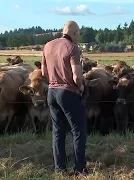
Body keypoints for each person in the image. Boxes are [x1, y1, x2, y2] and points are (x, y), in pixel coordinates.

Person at [41, 20, 88, 176]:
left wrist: (54, 81)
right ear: (73, 33)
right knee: (78, 130)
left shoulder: (47, 46)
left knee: (58, 131)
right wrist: (80, 86)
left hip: (51, 92)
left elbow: (44, 73)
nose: (78, 37)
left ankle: (59, 169)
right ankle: (79, 169)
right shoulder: (73, 48)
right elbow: (77, 77)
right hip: (67, 93)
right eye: (78, 34)